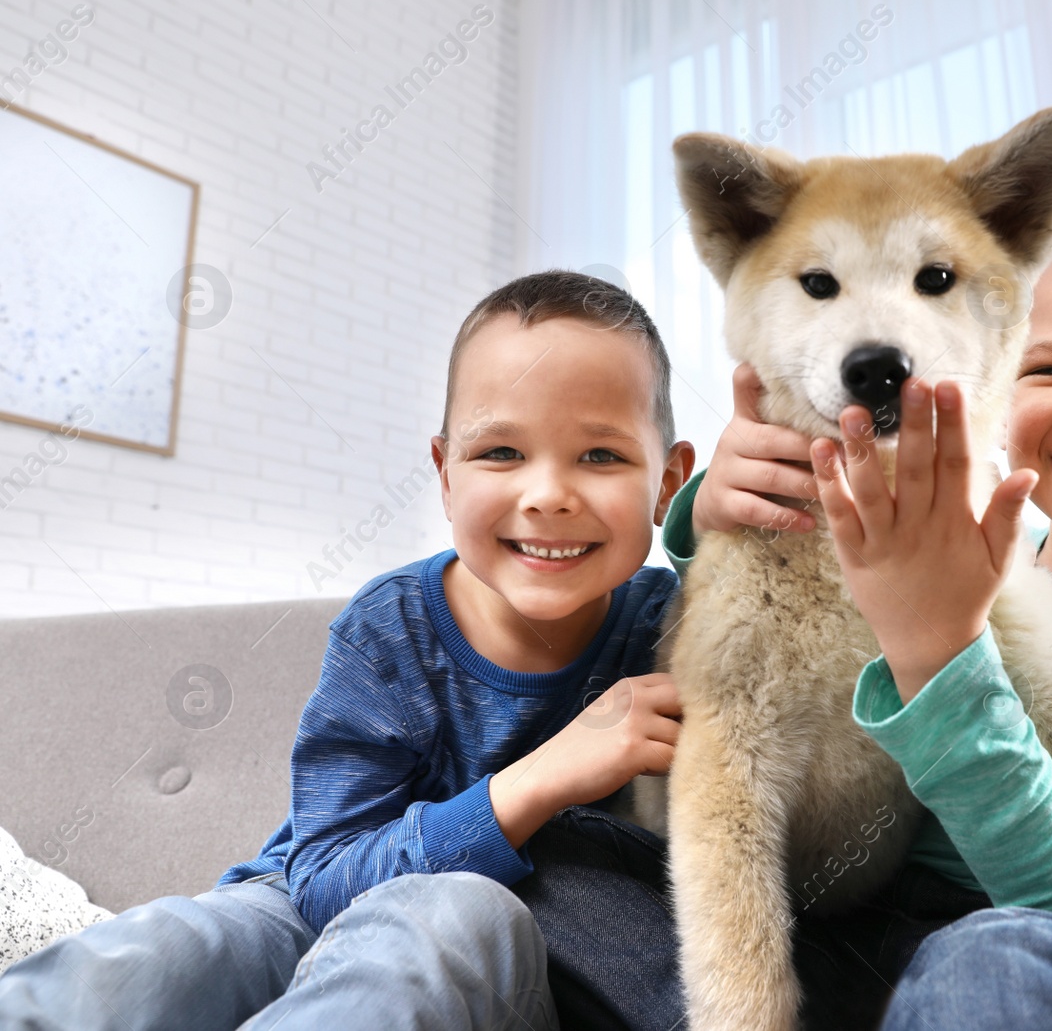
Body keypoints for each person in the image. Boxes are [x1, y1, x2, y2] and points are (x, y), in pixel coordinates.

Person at [0, 270, 695, 1030]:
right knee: (172, 945)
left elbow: (796, 645)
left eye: (600, 456)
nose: (548, 493)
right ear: (445, 474)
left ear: (668, 483)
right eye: (500, 451)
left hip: (478, 948)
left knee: (445, 917)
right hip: (304, 898)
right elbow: (324, 878)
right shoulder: (388, 630)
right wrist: (540, 778)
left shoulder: (671, 624)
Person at [665, 199, 1052, 1029]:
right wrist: (713, 508)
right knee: (590, 879)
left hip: (1029, 938)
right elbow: (777, 618)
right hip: (854, 926)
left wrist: (941, 649)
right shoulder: (964, 538)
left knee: (989, 964)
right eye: (1046, 369)